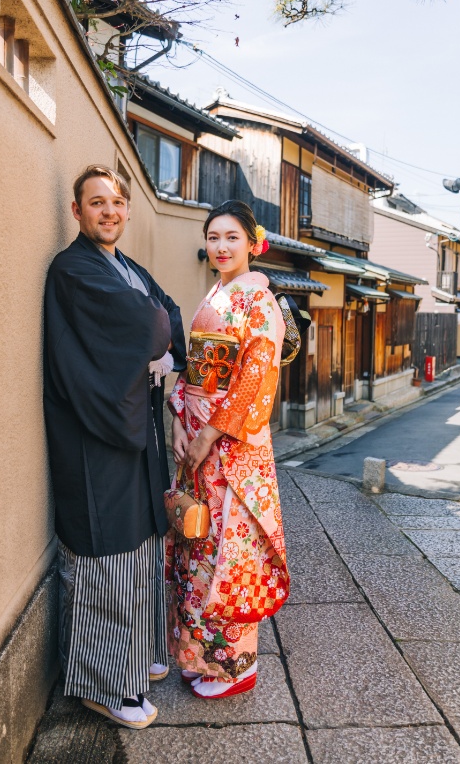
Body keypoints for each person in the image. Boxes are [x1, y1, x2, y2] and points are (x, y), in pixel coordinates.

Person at [43, 166, 186, 729]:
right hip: (95, 433)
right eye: (96, 202)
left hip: (133, 429)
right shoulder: (73, 269)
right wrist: (158, 342)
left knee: (143, 545)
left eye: (118, 202)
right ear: (76, 212)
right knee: (109, 554)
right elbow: (148, 322)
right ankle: (103, 684)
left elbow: (168, 312)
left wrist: (163, 341)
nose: (110, 211)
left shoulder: (125, 266)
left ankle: (133, 660)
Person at [167, 199, 290, 699]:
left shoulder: (258, 302)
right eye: (213, 237)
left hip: (229, 449)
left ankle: (237, 667)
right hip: (198, 441)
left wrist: (206, 434)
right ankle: (203, 658)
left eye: (231, 237)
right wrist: (180, 417)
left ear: (251, 243)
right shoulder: (217, 295)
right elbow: (196, 372)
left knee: (228, 553)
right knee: (197, 546)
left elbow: (253, 380)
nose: (221, 246)